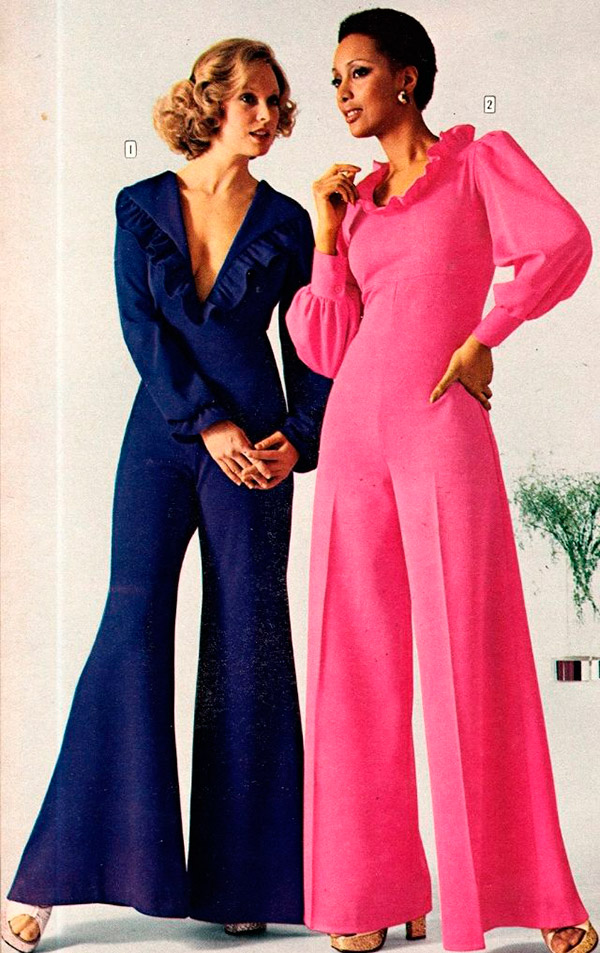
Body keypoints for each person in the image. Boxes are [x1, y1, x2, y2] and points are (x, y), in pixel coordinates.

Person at [2, 37, 331, 952]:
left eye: (276, 101)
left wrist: (299, 434)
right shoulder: (140, 205)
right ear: (212, 101)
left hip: (258, 449)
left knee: (250, 636)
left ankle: (246, 880)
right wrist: (206, 422)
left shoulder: (287, 223)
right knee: (131, 622)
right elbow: (141, 330)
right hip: (161, 438)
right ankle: (53, 876)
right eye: (251, 98)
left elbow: (309, 342)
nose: (268, 115)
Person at [281, 8, 596, 953]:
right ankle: (369, 893)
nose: (342, 93)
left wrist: (485, 336)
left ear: (407, 78)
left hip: (441, 425)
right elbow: (327, 346)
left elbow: (563, 243)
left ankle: (535, 896)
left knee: (474, 653)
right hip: (354, 437)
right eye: (335, 79)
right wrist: (327, 237)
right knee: (352, 665)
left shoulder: (478, 162)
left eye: (358, 73)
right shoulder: (358, 204)